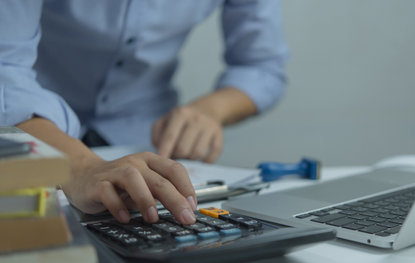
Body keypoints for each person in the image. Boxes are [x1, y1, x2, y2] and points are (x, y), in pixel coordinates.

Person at [0, 0, 289, 224]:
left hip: (148, 147)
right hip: (28, 134)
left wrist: (211, 110)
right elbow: (5, 70)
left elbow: (262, 67)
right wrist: (82, 167)